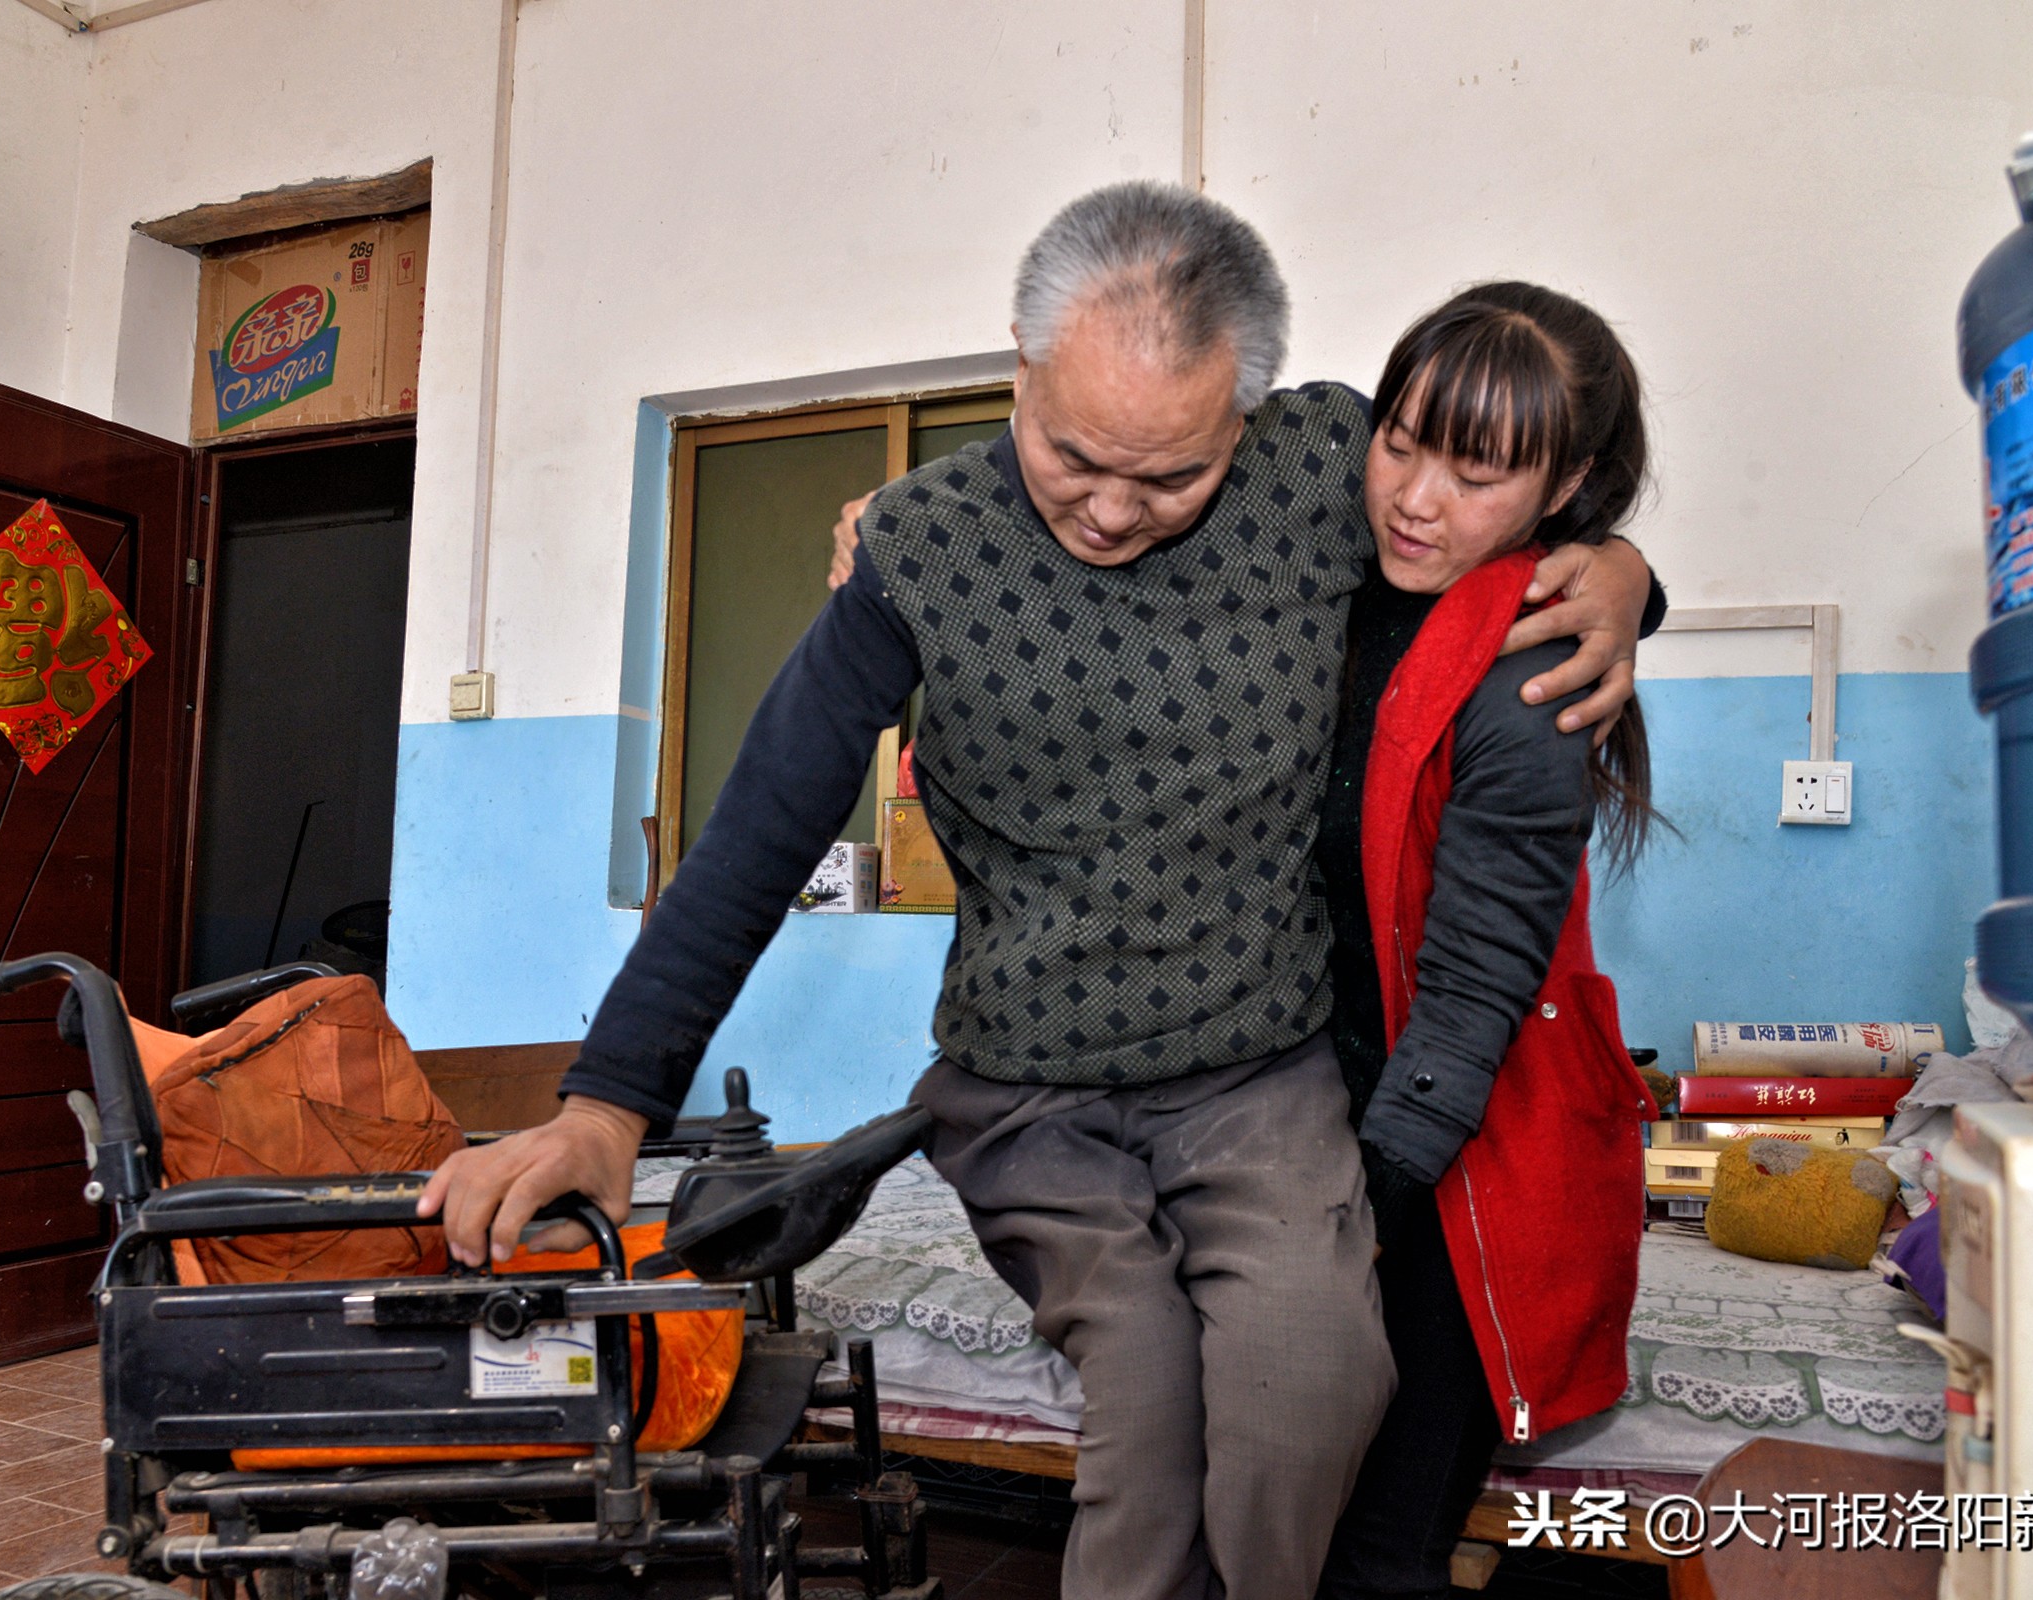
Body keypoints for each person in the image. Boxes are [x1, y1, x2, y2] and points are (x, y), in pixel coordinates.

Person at [420, 185, 1657, 1600]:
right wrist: (606, 1104)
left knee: (1307, 1382)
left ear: (1246, 420)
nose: (1114, 509)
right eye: (1074, 454)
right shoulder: (920, 552)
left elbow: (1501, 527)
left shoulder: (1327, 467)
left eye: (1173, 476)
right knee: (1149, 1403)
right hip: (1033, 1099)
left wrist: (1622, 574)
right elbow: (760, 832)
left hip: (1259, 1080)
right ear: (1019, 362)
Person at [1312, 282, 1661, 1600]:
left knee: (1375, 1553)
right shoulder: (1338, 588)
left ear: (1565, 485)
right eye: (1402, 442)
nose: (1415, 496)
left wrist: (1353, 1218)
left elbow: (1465, 1013)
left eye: (1477, 473)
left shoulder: (1531, 669)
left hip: (1456, 1172)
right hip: (1335, 1126)